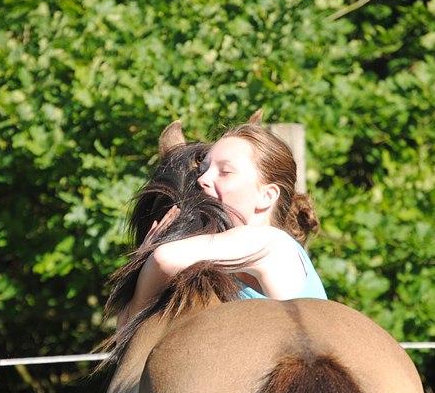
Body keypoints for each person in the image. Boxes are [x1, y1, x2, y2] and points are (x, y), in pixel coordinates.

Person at [120, 120, 326, 326]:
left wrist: (148, 255)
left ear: (267, 196)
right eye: (203, 169)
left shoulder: (271, 242)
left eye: (225, 172)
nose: (202, 179)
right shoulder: (222, 264)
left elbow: (164, 258)